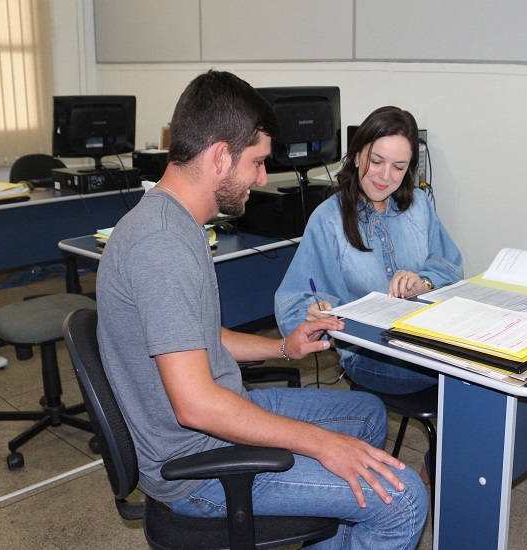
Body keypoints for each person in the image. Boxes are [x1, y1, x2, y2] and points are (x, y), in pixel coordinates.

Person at [96, 71, 427, 549]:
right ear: (220, 157)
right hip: (197, 468)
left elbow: (201, 335)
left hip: (218, 416)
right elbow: (195, 404)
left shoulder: (176, 220)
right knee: (405, 500)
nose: (262, 177)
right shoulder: (162, 244)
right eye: (256, 162)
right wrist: (320, 445)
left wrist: (283, 347)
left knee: (367, 414)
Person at [275, 106, 464, 396]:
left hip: (423, 337)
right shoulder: (328, 220)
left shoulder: (419, 206)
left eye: (399, 167)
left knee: (473, 362)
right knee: (462, 370)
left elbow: (449, 266)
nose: (385, 176)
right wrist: (310, 311)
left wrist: (423, 283)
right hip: (369, 356)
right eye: (376, 161)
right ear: (357, 155)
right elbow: (293, 299)